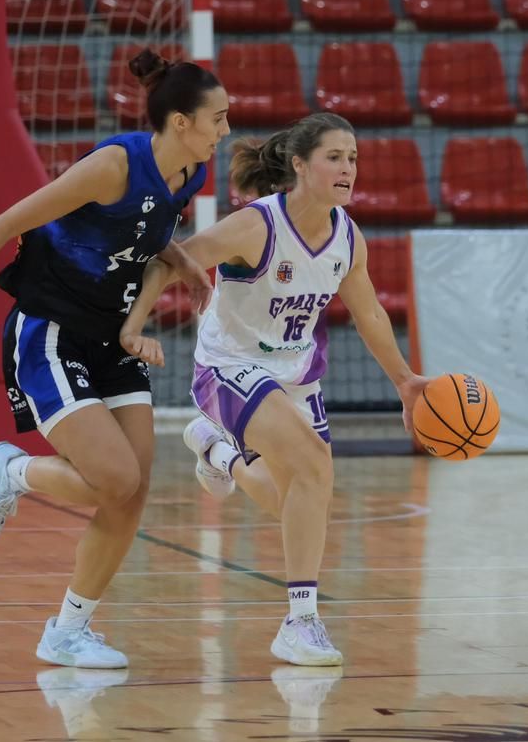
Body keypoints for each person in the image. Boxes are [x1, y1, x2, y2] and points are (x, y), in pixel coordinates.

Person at [0, 49, 227, 670]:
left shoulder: (190, 175)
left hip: (111, 337)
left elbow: (148, 238)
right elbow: (4, 222)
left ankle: (67, 632)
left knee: (132, 492)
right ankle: (10, 473)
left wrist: (185, 267)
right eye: (218, 118)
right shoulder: (113, 167)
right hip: (51, 330)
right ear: (180, 122)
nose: (226, 129)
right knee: (115, 478)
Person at [119, 111, 430, 667]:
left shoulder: (347, 238)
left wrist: (405, 380)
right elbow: (173, 262)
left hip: (294, 376)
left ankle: (218, 452)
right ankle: (300, 620)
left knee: (298, 497)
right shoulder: (256, 226)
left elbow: (370, 314)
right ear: (300, 165)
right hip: (228, 366)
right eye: (334, 157)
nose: (347, 168)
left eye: (353, 158)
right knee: (315, 466)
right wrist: (134, 325)